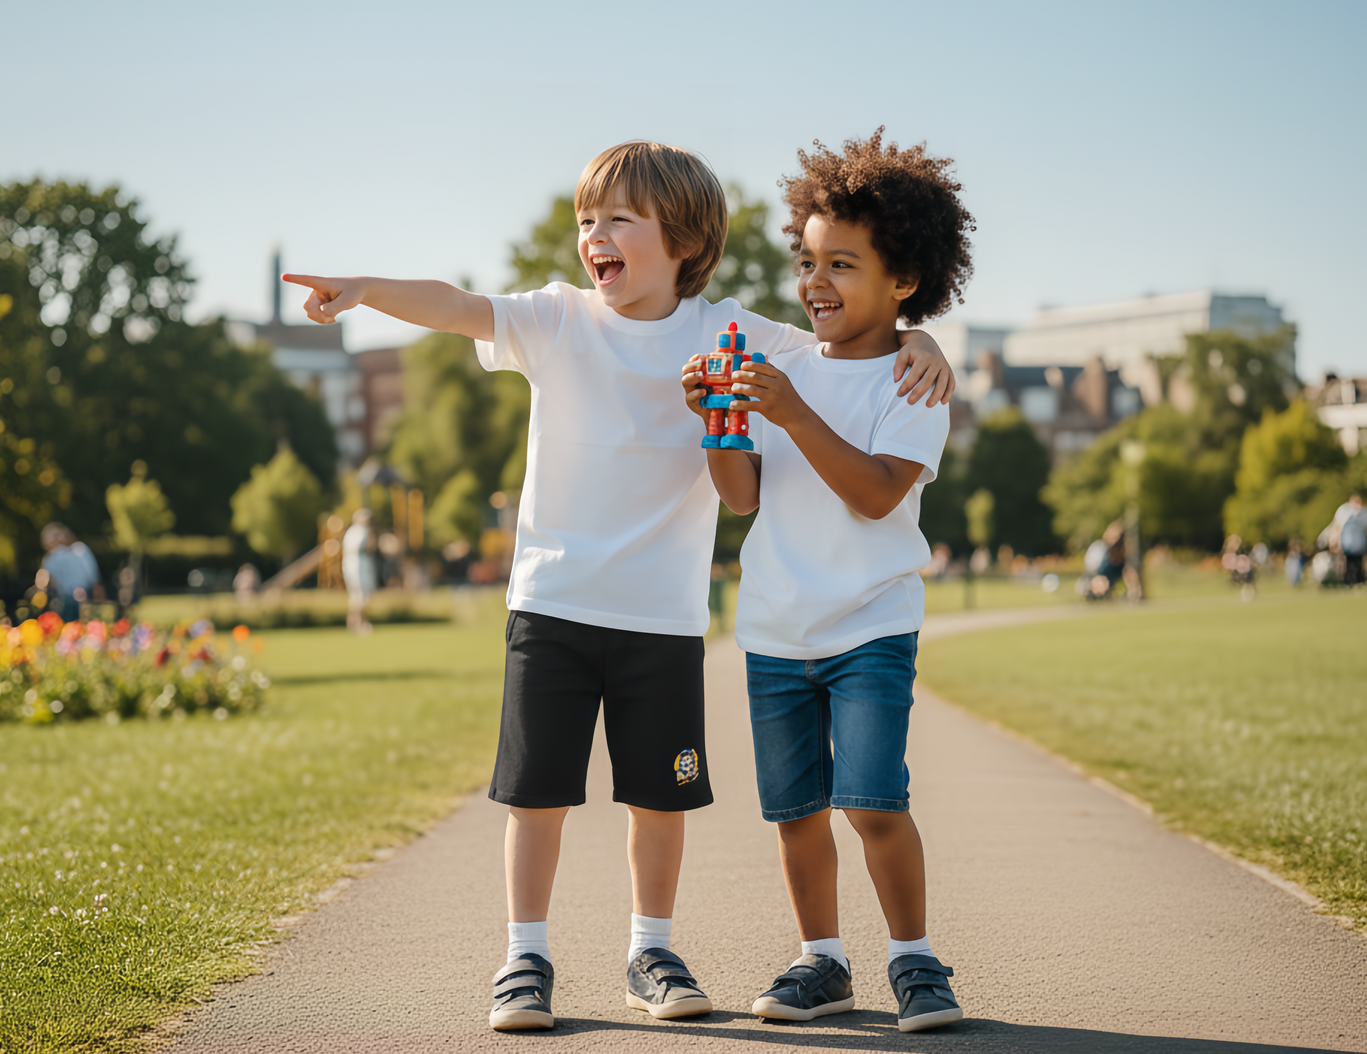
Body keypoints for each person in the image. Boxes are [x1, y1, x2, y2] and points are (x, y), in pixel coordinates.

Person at [282, 140, 955, 1031]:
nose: (594, 235)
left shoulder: (739, 334)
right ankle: (525, 956)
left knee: (658, 799)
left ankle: (652, 950)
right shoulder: (556, 319)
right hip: (551, 603)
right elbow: (456, 305)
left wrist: (923, 339)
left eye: (619, 219)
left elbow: (850, 340)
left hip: (663, 618)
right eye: (586, 220)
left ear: (684, 241)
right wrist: (367, 289)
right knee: (537, 795)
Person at [690, 130, 968, 1033]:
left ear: (904, 280)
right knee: (796, 813)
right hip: (775, 628)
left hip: (870, 628)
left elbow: (877, 495)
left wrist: (795, 411)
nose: (815, 282)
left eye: (841, 264)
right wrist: (720, 423)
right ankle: (822, 962)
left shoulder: (914, 384)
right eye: (807, 261)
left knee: (871, 801)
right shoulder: (784, 367)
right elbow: (742, 498)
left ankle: (915, 960)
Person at [39, 523, 101, 621]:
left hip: (85, 594)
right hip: (65, 598)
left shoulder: (80, 549)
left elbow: (94, 578)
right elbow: (45, 582)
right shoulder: (50, 558)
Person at [342, 509, 378, 634]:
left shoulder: (353, 531)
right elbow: (369, 547)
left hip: (358, 564)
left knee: (358, 597)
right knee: (360, 597)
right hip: (358, 565)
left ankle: (356, 622)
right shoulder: (359, 531)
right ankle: (358, 623)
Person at [1330, 494, 1367, 586]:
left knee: (1358, 563)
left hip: (1359, 543)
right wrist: (1335, 540)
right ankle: (1347, 581)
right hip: (1346, 543)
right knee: (1347, 563)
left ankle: (1358, 580)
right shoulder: (1343, 511)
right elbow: (1337, 526)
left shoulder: (1365, 513)